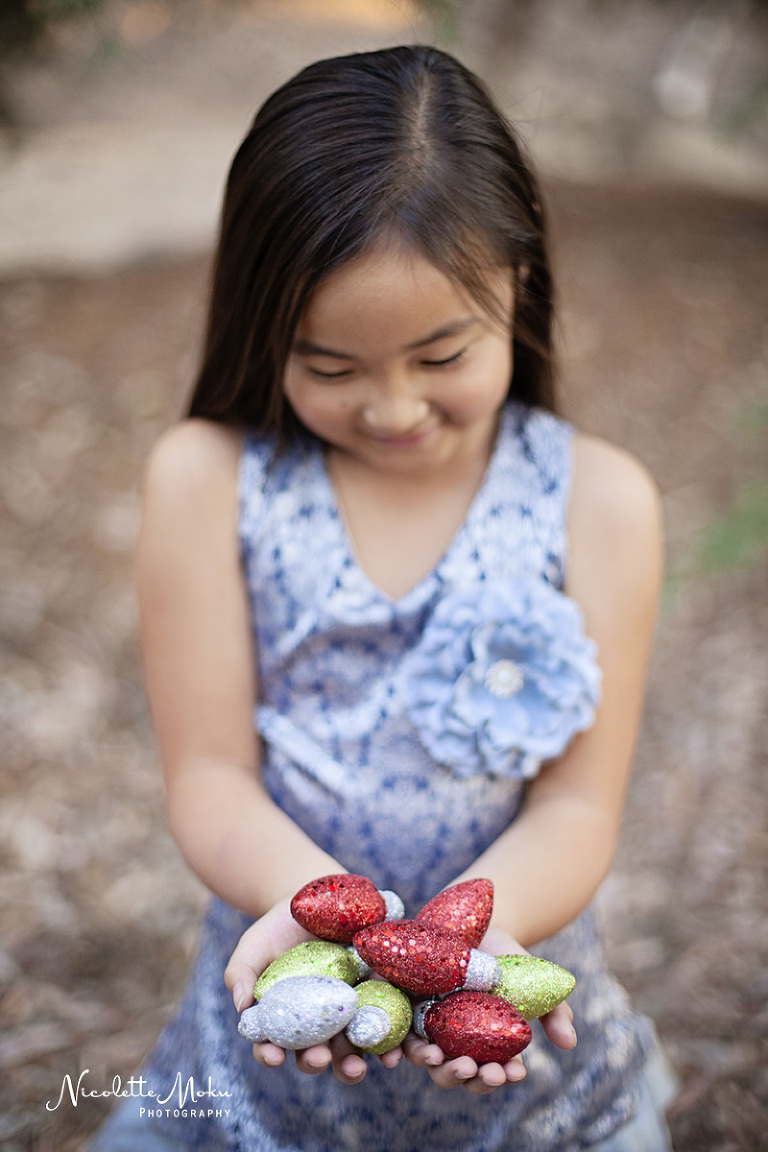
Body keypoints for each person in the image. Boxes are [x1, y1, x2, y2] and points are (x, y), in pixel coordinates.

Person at [87, 44, 677, 1152]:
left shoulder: (598, 502)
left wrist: (461, 946)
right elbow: (209, 768)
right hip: (268, 1028)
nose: (394, 409)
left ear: (521, 284)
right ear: (262, 328)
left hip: (513, 1030)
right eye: (331, 366)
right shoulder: (209, 482)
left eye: (441, 352)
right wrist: (322, 912)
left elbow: (578, 807)